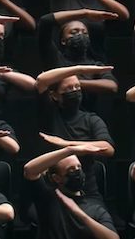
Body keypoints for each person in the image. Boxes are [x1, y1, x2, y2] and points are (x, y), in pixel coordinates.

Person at [34, 65, 116, 198]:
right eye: (68, 88)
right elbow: (41, 80)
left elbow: (108, 148)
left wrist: (67, 144)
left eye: (77, 87)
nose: (74, 91)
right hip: (53, 189)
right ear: (55, 95)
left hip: (87, 191)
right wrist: (79, 69)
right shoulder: (49, 114)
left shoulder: (91, 119)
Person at [23, 144, 118, 239]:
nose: (77, 172)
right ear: (57, 178)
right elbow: (29, 170)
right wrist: (70, 150)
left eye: (79, 167)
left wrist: (80, 214)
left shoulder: (95, 208)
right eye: (71, 170)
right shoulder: (48, 199)